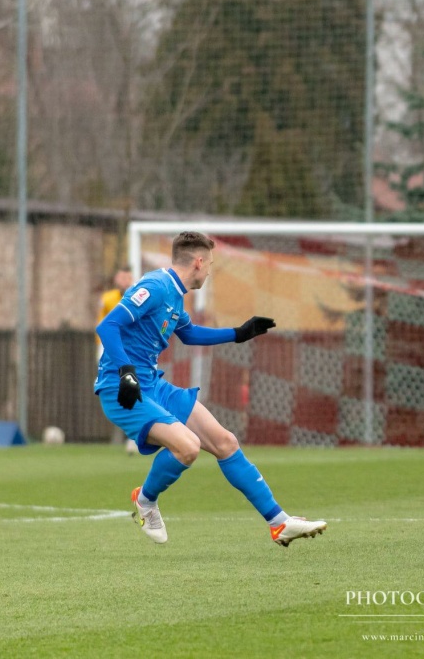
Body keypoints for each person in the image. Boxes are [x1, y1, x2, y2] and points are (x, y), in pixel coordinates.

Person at [95, 231, 326, 547]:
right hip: (122, 387)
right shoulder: (156, 287)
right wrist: (125, 373)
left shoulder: (174, 293)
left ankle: (279, 523)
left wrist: (239, 333)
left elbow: (188, 334)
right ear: (199, 262)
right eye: (210, 264)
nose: (210, 271)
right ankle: (145, 502)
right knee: (188, 447)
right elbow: (107, 326)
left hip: (151, 383)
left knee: (224, 441)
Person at [96, 268, 138, 454]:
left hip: (129, 348)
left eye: (129, 276)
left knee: (132, 387)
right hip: (107, 348)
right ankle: (127, 432)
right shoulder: (107, 298)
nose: (126, 280)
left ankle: (134, 436)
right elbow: (102, 323)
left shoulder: (138, 296)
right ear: (115, 279)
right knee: (115, 388)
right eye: (122, 276)